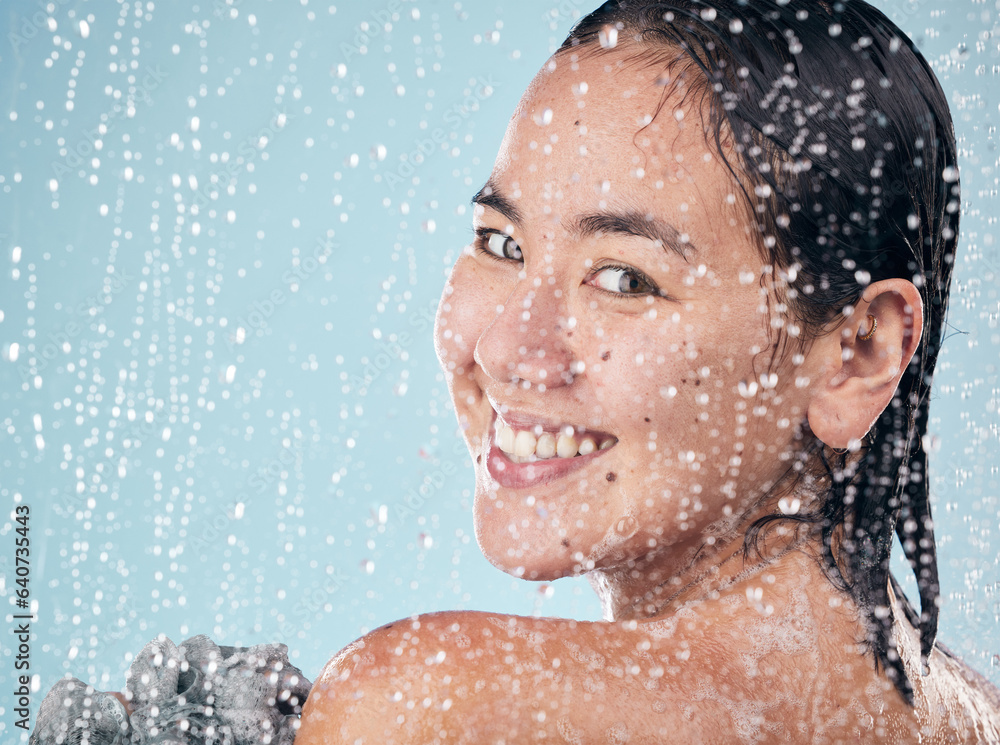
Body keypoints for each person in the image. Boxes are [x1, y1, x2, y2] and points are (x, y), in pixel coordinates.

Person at [297, 1, 1000, 743]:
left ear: (858, 353)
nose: (506, 347)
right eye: (503, 246)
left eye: (626, 280)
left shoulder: (429, 708)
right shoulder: (968, 718)